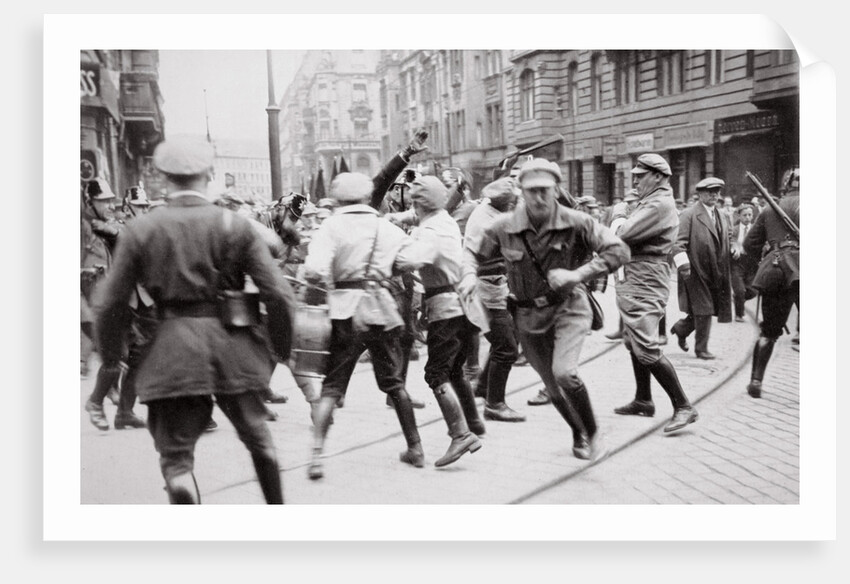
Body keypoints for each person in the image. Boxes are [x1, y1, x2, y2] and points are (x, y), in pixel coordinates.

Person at [93, 136, 296, 504]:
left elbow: (109, 304)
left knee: (176, 457)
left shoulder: (143, 229)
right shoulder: (235, 225)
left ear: (164, 175)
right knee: (259, 440)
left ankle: (185, 497)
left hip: (172, 347)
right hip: (233, 345)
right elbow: (280, 295)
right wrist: (280, 348)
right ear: (208, 174)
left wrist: (110, 359)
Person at [462, 158, 629, 460]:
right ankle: (577, 433)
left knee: (565, 373)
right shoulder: (504, 227)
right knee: (553, 388)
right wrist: (469, 275)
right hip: (527, 316)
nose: (539, 198)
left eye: (545, 191)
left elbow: (619, 250)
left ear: (556, 190)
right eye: (532, 191)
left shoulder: (577, 221)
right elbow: (473, 253)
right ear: (521, 192)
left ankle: (593, 434)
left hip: (568, 306)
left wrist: (578, 274)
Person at [303, 173, 430, 479]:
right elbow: (415, 259)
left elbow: (315, 270)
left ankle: (317, 456)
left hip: (345, 313)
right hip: (380, 312)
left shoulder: (331, 226)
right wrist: (387, 267)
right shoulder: (385, 226)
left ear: (338, 199)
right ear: (366, 197)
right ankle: (416, 448)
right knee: (394, 384)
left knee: (332, 387)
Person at [610, 153, 699, 433]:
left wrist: (618, 215)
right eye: (635, 175)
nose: (635, 179)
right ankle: (643, 399)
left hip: (645, 277)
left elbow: (621, 232)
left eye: (641, 175)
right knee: (634, 339)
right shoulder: (651, 200)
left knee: (646, 345)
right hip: (637, 275)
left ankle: (683, 406)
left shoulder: (658, 204)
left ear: (658, 176)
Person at [461, 177, 526, 422]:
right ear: (504, 202)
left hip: (491, 287)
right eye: (513, 200)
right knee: (507, 347)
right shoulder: (489, 222)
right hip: (485, 289)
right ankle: (495, 404)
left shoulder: (486, 210)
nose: (516, 203)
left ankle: (484, 387)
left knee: (506, 339)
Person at [743, 168, 799, 398]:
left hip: (777, 269)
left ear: (786, 185)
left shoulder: (769, 209)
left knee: (769, 331)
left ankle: (756, 381)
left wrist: (764, 260)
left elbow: (749, 244)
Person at [670, 177, 733, 360]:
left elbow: (728, 236)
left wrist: (735, 246)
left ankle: (681, 329)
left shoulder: (721, 215)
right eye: (710, 192)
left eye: (717, 192)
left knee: (708, 308)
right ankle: (701, 349)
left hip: (716, 271)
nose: (714, 195)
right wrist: (684, 265)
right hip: (695, 270)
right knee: (704, 309)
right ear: (700, 194)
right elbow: (678, 244)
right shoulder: (689, 214)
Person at [729, 203, 758, 322]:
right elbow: (731, 240)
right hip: (737, 262)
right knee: (740, 290)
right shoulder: (734, 229)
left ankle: (738, 298)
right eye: (744, 215)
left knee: (753, 290)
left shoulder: (756, 229)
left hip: (752, 263)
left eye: (750, 215)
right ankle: (739, 315)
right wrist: (734, 247)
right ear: (739, 216)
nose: (747, 217)